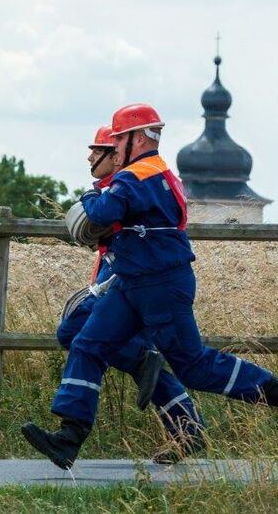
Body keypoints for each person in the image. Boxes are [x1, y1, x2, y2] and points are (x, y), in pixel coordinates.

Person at [22, 104, 278, 470]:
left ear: (137, 138)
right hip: (131, 282)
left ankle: (271, 391)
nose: (111, 144)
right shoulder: (150, 175)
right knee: (86, 343)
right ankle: (68, 437)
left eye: (118, 138)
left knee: (195, 367)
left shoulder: (138, 176)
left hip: (160, 285)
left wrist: (91, 198)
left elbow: (99, 213)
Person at [55, 124, 204, 464]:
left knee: (73, 332)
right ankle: (188, 428)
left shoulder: (127, 186)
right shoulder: (120, 185)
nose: (91, 156)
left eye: (99, 149)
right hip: (124, 276)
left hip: (126, 279)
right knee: (120, 351)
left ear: (116, 153)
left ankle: (149, 374)